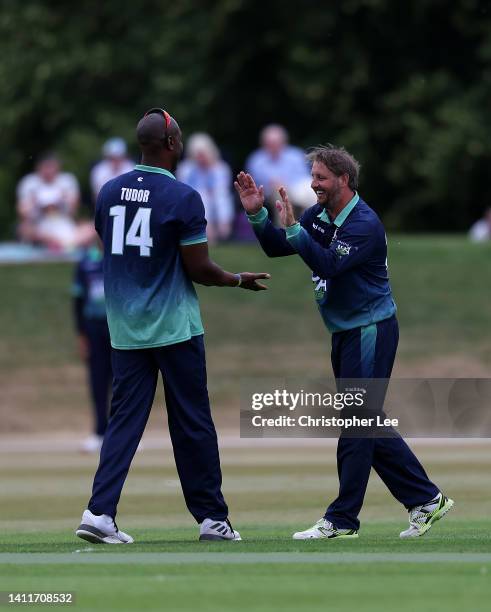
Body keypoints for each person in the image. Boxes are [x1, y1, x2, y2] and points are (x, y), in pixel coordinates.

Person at [235, 144, 454, 540]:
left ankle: (341, 520)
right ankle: (426, 498)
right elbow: (276, 245)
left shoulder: (364, 224)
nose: (313, 184)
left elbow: (328, 264)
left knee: (356, 422)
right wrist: (257, 212)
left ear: (343, 180)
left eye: (320, 177)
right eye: (313, 176)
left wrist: (296, 229)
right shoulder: (320, 215)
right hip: (344, 331)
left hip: (370, 328)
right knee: (364, 421)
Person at [75, 107, 270, 545]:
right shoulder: (183, 197)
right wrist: (238, 279)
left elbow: (118, 250)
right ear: (171, 145)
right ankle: (212, 520)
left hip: (124, 328)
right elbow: (199, 268)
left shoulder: (108, 191)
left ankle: (99, 513)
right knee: (192, 422)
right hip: (174, 327)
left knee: (123, 421)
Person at [72, 239, 112, 454]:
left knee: (122, 382)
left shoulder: (120, 256)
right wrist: (81, 335)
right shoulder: (85, 261)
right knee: (97, 381)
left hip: (119, 327)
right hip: (94, 329)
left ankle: (121, 434)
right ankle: (99, 432)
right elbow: (77, 301)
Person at [16, 153, 94, 250]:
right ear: (39, 168)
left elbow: (73, 210)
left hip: (63, 223)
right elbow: (22, 212)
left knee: (92, 227)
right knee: (24, 228)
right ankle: (64, 244)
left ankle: (60, 244)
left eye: (51, 167)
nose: (49, 171)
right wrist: (36, 203)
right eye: (46, 167)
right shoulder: (29, 183)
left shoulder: (67, 180)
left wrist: (62, 200)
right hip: (39, 224)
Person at [177, 133, 235, 244]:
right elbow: (184, 189)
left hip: (216, 198)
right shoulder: (186, 169)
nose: (201, 158)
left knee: (221, 197)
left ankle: (224, 230)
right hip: (193, 201)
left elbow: (222, 187)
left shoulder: (220, 168)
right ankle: (209, 233)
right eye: (198, 154)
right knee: (202, 197)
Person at [245, 124, 313, 212]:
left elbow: (304, 176)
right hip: (270, 194)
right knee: (280, 192)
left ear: (284, 141)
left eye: (276, 142)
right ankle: (285, 225)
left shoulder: (296, 155)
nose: (273, 145)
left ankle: (310, 223)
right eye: (270, 143)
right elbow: (254, 183)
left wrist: (287, 184)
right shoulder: (256, 160)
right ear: (263, 143)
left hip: (297, 190)